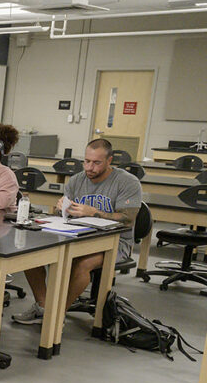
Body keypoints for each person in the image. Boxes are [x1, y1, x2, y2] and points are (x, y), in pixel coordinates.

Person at [12, 138, 142, 324]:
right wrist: (61, 208)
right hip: (77, 236)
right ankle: (43, 307)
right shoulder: (77, 180)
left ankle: (57, 316)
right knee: (32, 254)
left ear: (109, 161)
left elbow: (128, 219)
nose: (89, 167)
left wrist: (94, 212)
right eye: (86, 161)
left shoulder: (127, 182)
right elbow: (63, 214)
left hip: (116, 243)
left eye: (96, 163)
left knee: (82, 263)